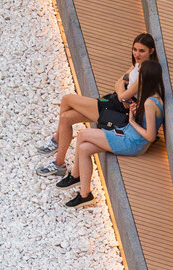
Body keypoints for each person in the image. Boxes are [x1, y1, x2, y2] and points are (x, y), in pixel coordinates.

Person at [38, 33, 155, 179]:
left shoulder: (145, 72)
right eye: (135, 49)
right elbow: (118, 85)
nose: (137, 54)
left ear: (151, 51)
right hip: (114, 102)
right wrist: (121, 89)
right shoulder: (137, 64)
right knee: (66, 117)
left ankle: (56, 141)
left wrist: (121, 90)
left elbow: (122, 95)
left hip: (119, 111)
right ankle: (59, 164)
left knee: (67, 99)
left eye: (141, 51)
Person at [58, 57, 165, 208]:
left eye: (139, 74)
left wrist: (132, 121)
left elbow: (150, 136)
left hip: (133, 142)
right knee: (83, 149)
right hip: (129, 135)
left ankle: (75, 176)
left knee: (83, 135)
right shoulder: (152, 96)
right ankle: (85, 195)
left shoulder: (150, 102)